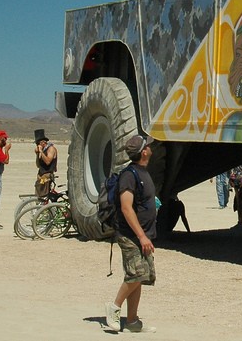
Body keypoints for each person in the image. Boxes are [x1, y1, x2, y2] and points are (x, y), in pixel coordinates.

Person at [106, 135, 158, 334]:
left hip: (143, 233)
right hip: (131, 235)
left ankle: (132, 321)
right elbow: (126, 208)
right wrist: (141, 236)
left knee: (140, 276)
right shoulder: (129, 175)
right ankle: (114, 308)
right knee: (136, 274)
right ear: (144, 152)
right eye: (148, 146)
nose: (151, 148)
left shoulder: (142, 172)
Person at [33, 128, 57, 198]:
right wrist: (37, 154)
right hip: (41, 175)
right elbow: (38, 165)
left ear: (43, 142)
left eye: (38, 143)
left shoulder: (51, 149)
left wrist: (41, 151)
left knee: (44, 194)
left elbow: (48, 162)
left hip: (47, 175)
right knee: (39, 194)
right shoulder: (43, 151)